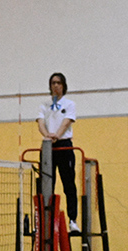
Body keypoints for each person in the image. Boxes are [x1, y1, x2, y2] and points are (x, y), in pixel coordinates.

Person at [36, 72, 79, 233]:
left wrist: (57, 136)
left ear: (63, 86)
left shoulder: (69, 104)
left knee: (69, 184)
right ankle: (46, 221)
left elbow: (66, 122)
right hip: (48, 146)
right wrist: (47, 135)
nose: (55, 86)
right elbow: (40, 122)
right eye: (53, 83)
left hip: (64, 145)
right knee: (47, 185)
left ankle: (72, 220)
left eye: (58, 83)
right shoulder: (44, 105)